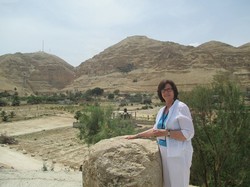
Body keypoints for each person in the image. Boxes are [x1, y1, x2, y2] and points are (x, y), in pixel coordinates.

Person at [126, 79, 194, 187]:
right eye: (163, 90)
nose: (166, 92)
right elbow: (155, 131)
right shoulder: (162, 110)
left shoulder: (181, 107)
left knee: (178, 184)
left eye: (169, 89)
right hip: (163, 154)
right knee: (166, 184)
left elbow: (188, 133)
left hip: (178, 155)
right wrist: (136, 136)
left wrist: (167, 133)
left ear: (174, 91)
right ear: (160, 93)